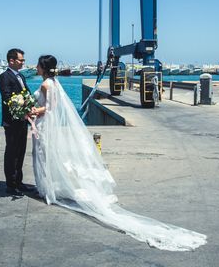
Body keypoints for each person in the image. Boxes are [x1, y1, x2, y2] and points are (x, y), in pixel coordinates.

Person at [31, 54, 207, 251]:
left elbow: (50, 107)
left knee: (43, 154)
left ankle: (47, 191)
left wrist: (33, 111)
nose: (35, 67)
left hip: (45, 124)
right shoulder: (53, 82)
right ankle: (49, 188)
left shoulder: (46, 84)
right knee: (47, 154)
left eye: (38, 64)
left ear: (43, 67)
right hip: (47, 124)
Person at [0, 48, 34, 196]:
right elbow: (7, 98)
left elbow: (27, 94)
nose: (23, 62)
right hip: (11, 121)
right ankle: (11, 184)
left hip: (22, 121)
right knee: (12, 152)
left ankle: (19, 181)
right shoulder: (4, 77)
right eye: (21, 60)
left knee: (21, 151)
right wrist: (21, 106)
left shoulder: (21, 77)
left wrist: (30, 107)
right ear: (11, 61)